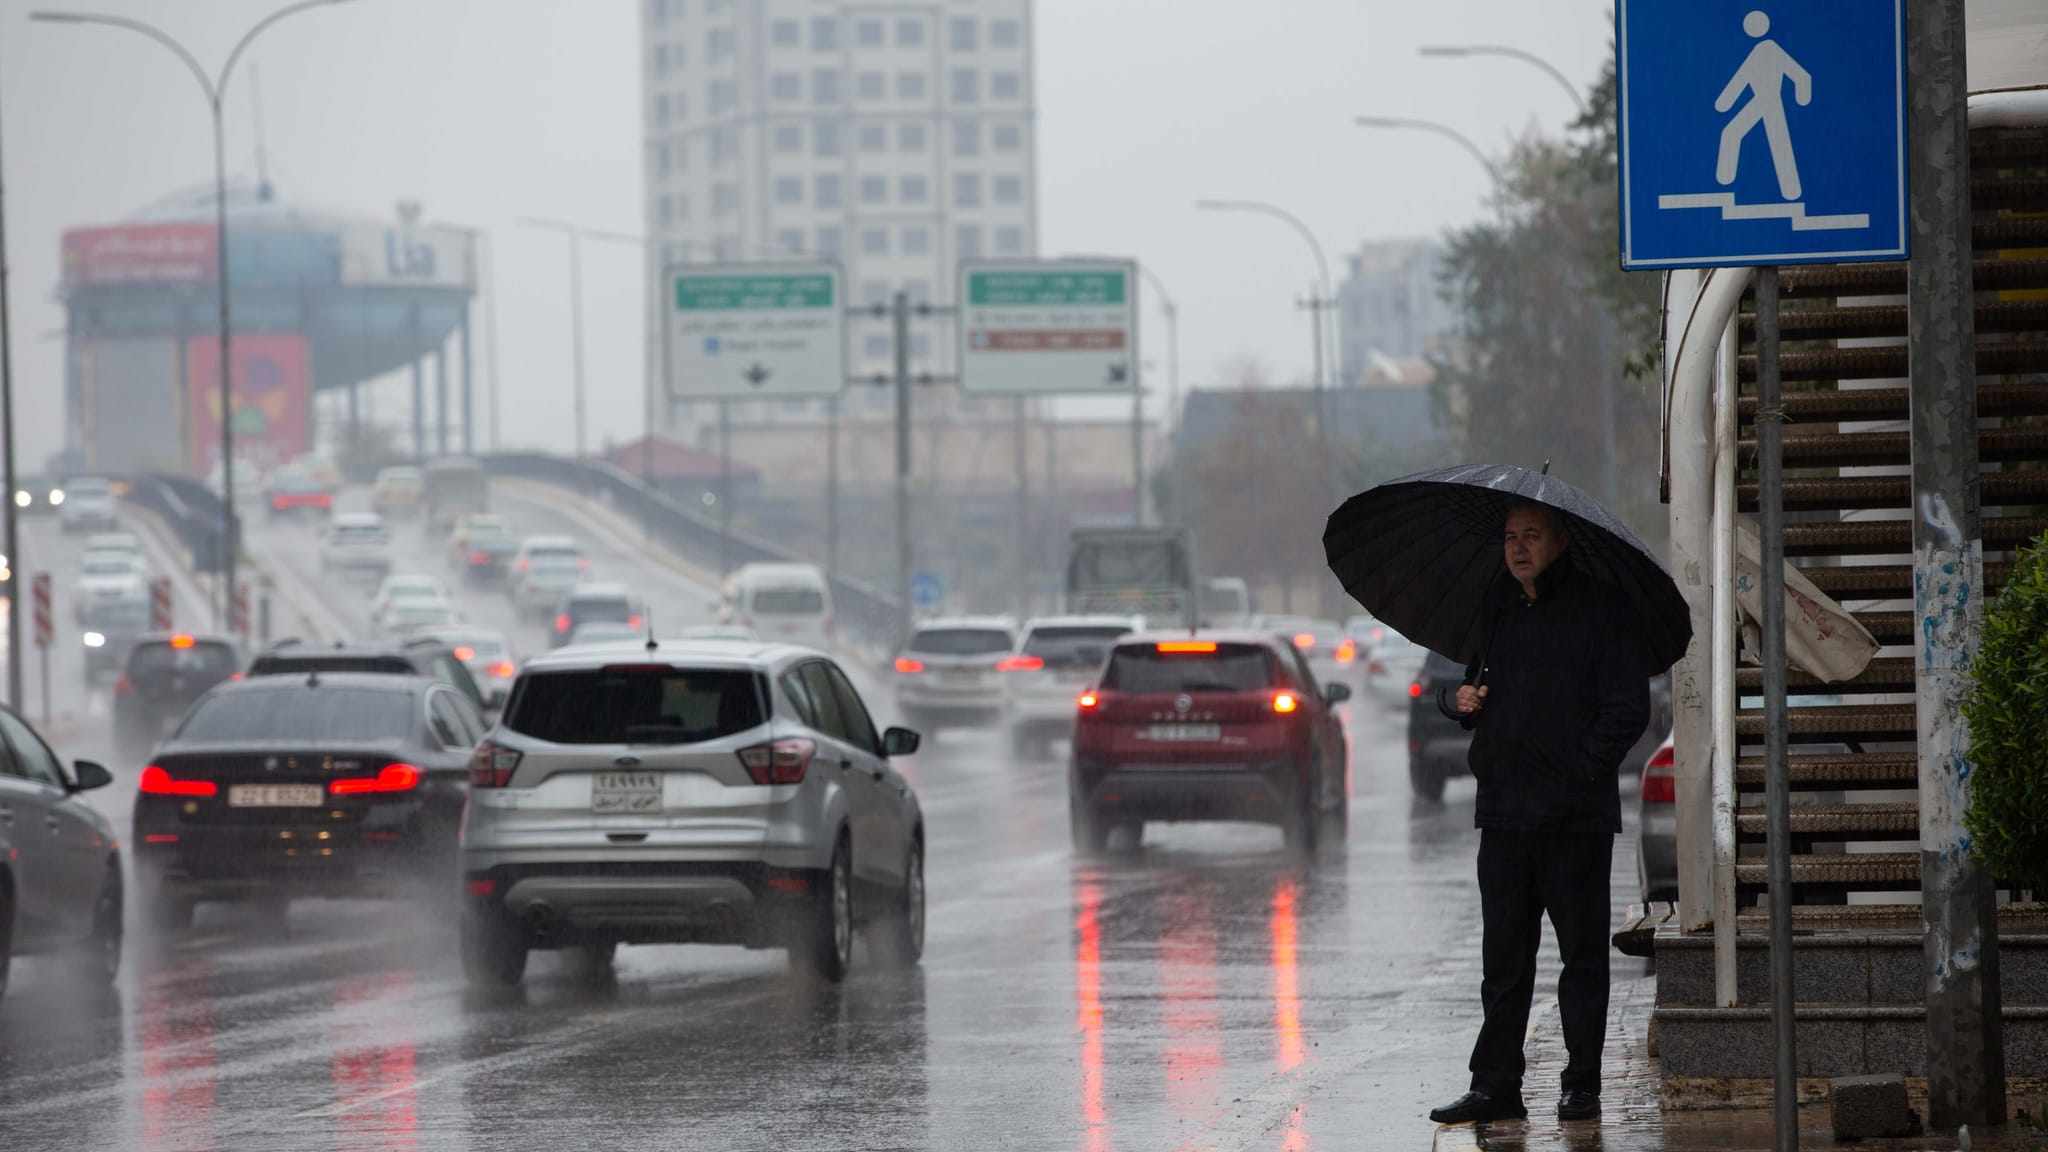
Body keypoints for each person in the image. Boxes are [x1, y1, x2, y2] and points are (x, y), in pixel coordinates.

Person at [1428, 500, 1650, 1126]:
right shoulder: (1497, 604)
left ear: (1561, 540)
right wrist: (1465, 702)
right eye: (1509, 537)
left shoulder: (1603, 610)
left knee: (1581, 958)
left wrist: (1578, 770)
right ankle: (1496, 1085)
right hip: (1504, 815)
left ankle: (1582, 1085)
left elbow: (1627, 710)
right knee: (1503, 962)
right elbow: (1481, 685)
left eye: (1531, 536)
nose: (1518, 548)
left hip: (1574, 819)